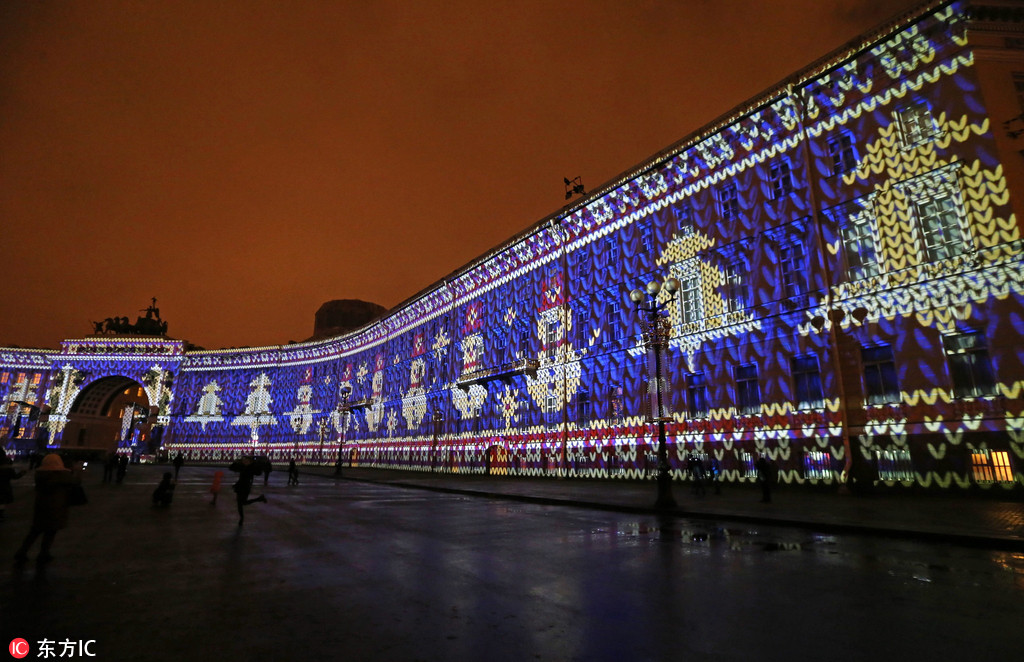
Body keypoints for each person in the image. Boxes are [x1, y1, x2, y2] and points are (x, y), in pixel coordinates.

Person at [14, 453, 82, 563]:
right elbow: (75, 482)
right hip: (56, 506)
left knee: (35, 531)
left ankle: (22, 551)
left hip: (41, 506)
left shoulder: (40, 474)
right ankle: (43, 553)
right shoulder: (61, 475)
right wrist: (78, 471)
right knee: (50, 532)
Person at [229, 456, 267, 526]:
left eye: (246, 461)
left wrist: (258, 464)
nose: (244, 461)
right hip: (240, 486)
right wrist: (236, 462)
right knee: (240, 503)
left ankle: (259, 499)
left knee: (243, 502)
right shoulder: (242, 466)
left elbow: (259, 472)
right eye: (244, 460)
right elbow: (231, 468)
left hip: (245, 487)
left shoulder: (252, 468)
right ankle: (241, 518)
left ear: (250, 462)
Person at [0, 454, 27, 522]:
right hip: (4, 487)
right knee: (2, 501)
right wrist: (22, 473)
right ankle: (1, 514)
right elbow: (15, 476)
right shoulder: (7, 468)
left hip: (4, 487)